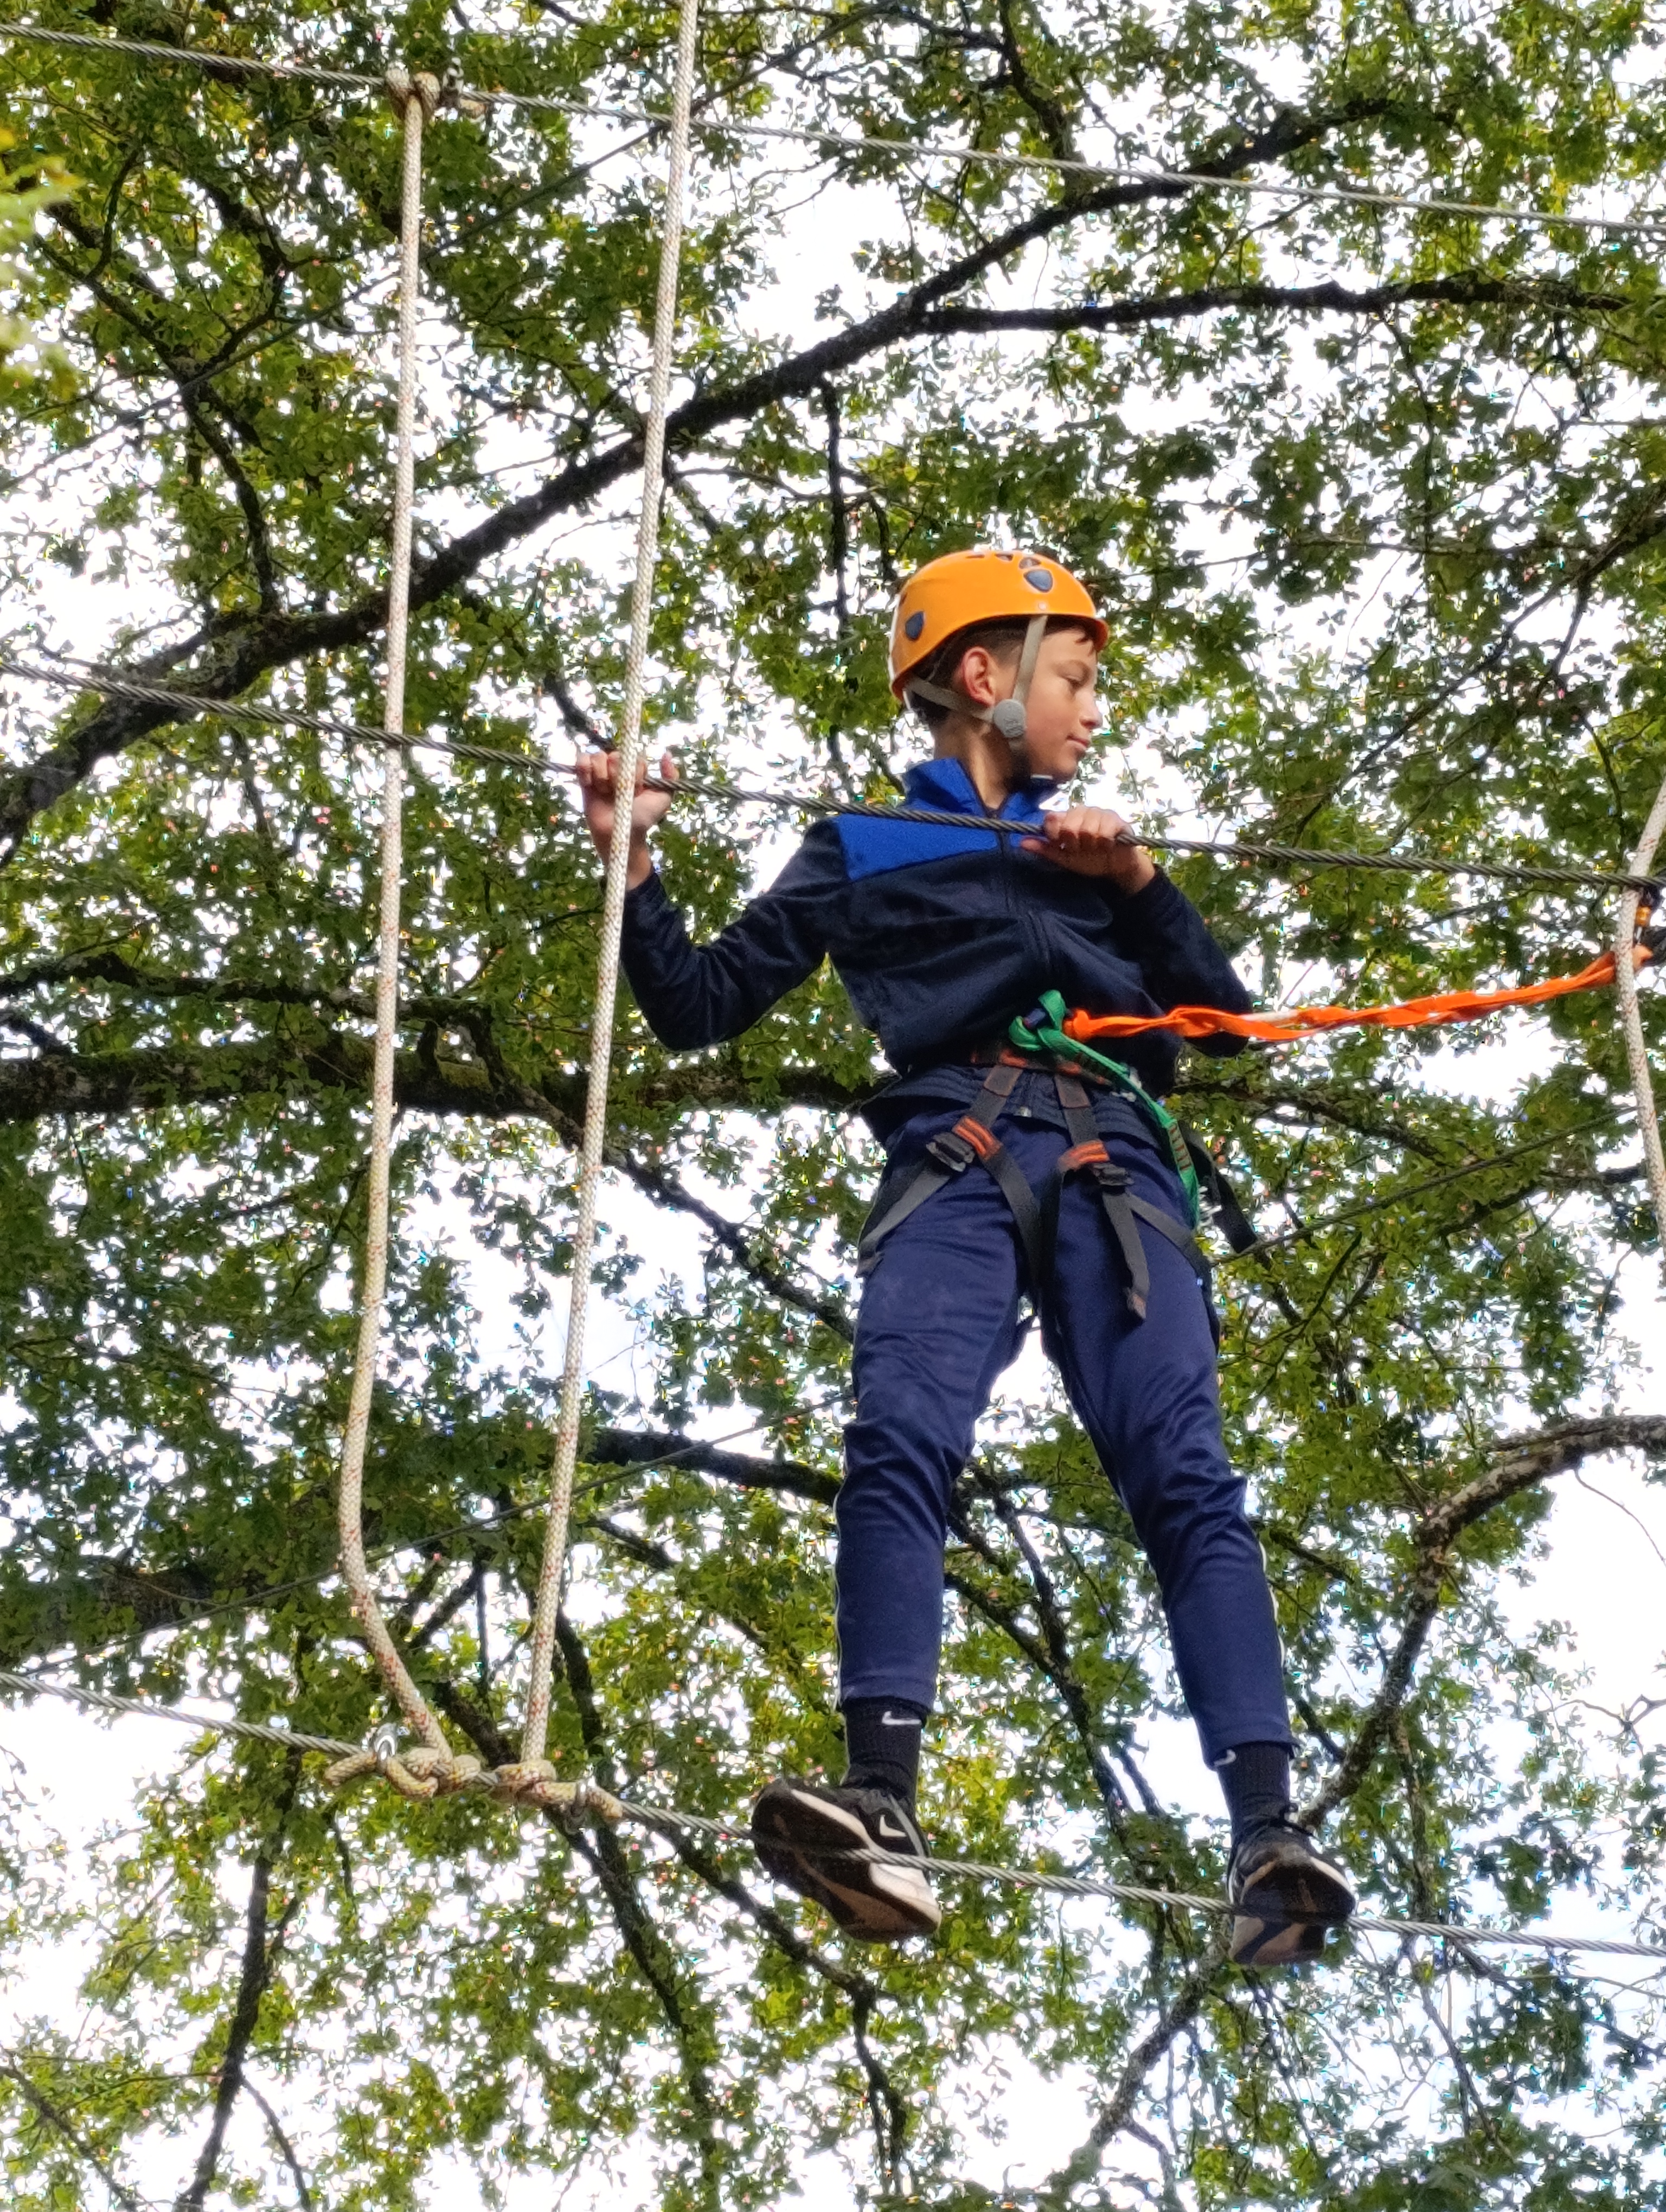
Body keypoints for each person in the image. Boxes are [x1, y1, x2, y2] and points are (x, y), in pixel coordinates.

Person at [576, 548, 1355, 1968]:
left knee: (1186, 1471)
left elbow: (1227, 1026)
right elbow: (699, 1004)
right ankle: (879, 1797)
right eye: (1077, 679)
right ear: (985, 678)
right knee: (900, 1435)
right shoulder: (864, 845)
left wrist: (1140, 878)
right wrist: (633, 861)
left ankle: (1269, 1835)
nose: (1093, 712)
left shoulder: (1098, 857)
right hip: (960, 1152)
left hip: (1116, 1170)